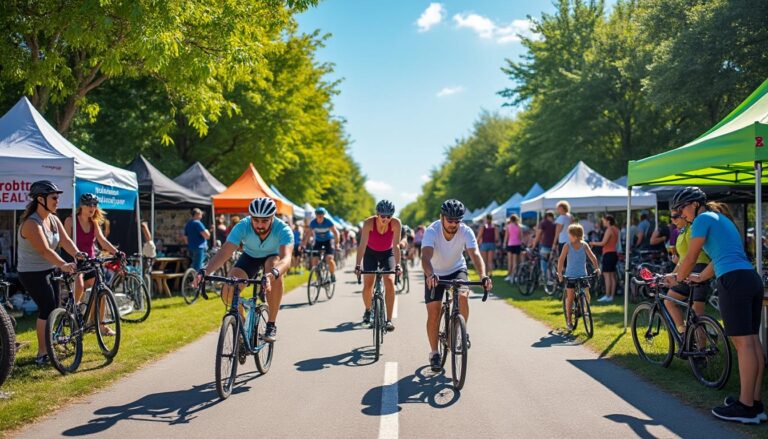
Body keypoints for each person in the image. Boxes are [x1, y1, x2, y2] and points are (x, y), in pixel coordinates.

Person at [667, 187, 765, 424]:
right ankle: (754, 402)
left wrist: (678, 277)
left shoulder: (701, 220)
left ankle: (745, 407)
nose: (681, 213)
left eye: (682, 208)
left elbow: (691, 257)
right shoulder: (720, 218)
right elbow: (721, 256)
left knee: (743, 344)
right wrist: (700, 277)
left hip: (732, 280)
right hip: (749, 278)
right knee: (751, 341)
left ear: (695, 205)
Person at [196, 198, 293, 342]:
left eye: (264, 221)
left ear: (273, 217)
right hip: (250, 256)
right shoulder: (243, 225)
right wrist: (206, 270)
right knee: (228, 288)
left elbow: (286, 259)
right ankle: (241, 320)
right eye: (256, 220)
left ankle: (271, 324)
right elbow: (225, 252)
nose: (260, 225)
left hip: (273, 258)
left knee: (274, 269)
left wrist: (273, 274)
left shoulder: (283, 229)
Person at [422, 199, 492, 372]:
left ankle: (460, 331)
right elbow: (425, 256)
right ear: (442, 217)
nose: (454, 224)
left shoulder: (466, 231)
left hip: (457, 269)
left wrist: (483, 275)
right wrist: (430, 274)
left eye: (457, 221)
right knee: (434, 312)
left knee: (462, 296)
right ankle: (434, 354)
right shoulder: (432, 231)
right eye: (450, 220)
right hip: (435, 272)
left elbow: (475, 254)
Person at [16, 181, 80, 366]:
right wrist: (63, 264)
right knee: (47, 307)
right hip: (31, 272)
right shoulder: (31, 223)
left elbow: (66, 240)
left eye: (58, 197)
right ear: (40, 199)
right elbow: (44, 250)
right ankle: (42, 352)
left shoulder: (53, 219)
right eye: (54, 197)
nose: (57, 200)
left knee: (55, 307)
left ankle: (51, 345)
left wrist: (77, 254)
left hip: (50, 268)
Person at [63, 193, 123, 335]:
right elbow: (64, 242)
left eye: (94, 205)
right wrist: (75, 255)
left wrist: (117, 252)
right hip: (75, 260)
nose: (92, 207)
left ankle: (98, 325)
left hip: (90, 261)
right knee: (80, 285)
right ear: (81, 206)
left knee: (101, 290)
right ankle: (73, 313)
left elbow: (102, 241)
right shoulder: (70, 220)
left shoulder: (94, 222)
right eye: (89, 204)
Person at [354, 200, 402, 331]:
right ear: (377, 214)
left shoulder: (396, 223)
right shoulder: (369, 223)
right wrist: (358, 265)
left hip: (388, 253)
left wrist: (398, 265)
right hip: (371, 253)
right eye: (383, 216)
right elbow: (362, 245)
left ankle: (389, 321)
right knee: (368, 284)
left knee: (390, 281)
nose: (385, 219)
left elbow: (396, 246)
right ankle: (368, 310)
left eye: (389, 216)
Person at [663, 208, 709, 332]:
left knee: (697, 313)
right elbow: (683, 259)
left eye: (675, 217)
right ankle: (683, 333)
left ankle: (702, 348)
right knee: (669, 301)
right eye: (671, 218)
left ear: (684, 215)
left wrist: (676, 276)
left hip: (699, 268)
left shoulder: (694, 228)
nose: (673, 221)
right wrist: (671, 274)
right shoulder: (681, 232)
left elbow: (690, 257)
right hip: (687, 269)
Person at [557, 224, 600, 331]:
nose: (568, 236)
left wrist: (597, 268)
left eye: (569, 234)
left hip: (582, 274)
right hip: (570, 275)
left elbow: (593, 257)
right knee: (570, 297)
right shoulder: (567, 245)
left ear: (575, 236)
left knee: (587, 294)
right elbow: (561, 260)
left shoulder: (584, 245)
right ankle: (569, 320)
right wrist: (560, 273)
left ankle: (585, 310)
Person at [300, 207, 340, 283]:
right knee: (314, 260)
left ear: (324, 215)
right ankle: (319, 278)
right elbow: (308, 234)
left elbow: (336, 233)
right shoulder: (313, 223)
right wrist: (303, 245)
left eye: (321, 215)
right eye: (318, 215)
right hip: (318, 241)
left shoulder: (328, 222)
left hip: (328, 241)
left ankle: (332, 275)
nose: (319, 217)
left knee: (329, 258)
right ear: (315, 215)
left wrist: (337, 244)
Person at [589, 215, 618, 302]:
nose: (603, 222)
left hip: (608, 254)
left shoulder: (609, 230)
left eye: (604, 220)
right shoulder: (616, 229)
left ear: (608, 221)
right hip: (614, 253)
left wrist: (592, 243)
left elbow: (603, 243)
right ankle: (611, 296)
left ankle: (607, 295)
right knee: (612, 276)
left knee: (607, 276)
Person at [532, 211, 556, 279]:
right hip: (552, 245)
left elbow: (538, 235)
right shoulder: (554, 223)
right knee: (550, 263)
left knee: (544, 262)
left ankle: (544, 278)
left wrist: (534, 245)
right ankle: (550, 279)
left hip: (544, 244)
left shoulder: (543, 222)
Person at [504, 214, 523, 282]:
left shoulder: (508, 226)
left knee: (510, 261)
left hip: (510, 244)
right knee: (515, 262)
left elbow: (506, 236)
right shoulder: (519, 226)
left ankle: (509, 276)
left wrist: (504, 244)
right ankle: (514, 276)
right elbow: (521, 237)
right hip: (517, 244)